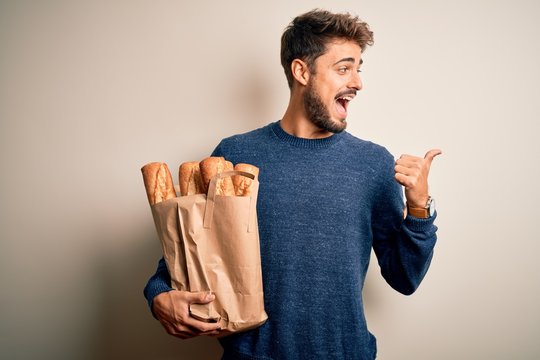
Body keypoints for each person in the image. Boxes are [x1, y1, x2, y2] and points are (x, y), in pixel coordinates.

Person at [144, 9, 441, 360]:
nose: (358, 82)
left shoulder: (373, 164)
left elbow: (404, 278)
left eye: (358, 69)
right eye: (344, 68)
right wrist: (159, 296)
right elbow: (184, 260)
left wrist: (420, 208)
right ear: (301, 71)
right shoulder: (234, 156)